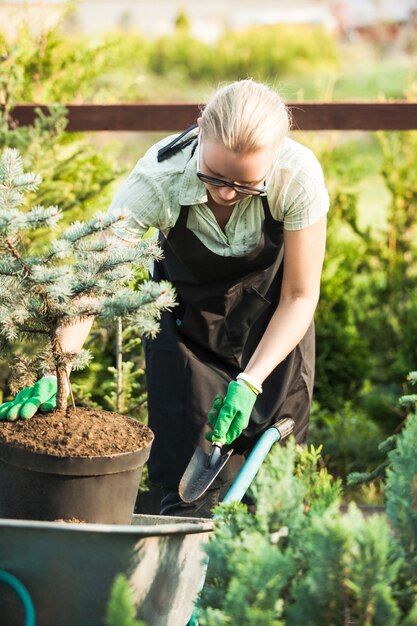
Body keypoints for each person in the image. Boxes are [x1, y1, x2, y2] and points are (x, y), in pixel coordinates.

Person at [0, 79, 328, 517]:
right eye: (214, 176)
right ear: (199, 130)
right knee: (183, 491)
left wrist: (251, 381)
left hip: (274, 335)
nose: (226, 193)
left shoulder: (297, 176)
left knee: (275, 489)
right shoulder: (160, 178)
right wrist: (57, 362)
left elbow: (301, 294)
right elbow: (95, 279)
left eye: (246, 184)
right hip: (187, 336)